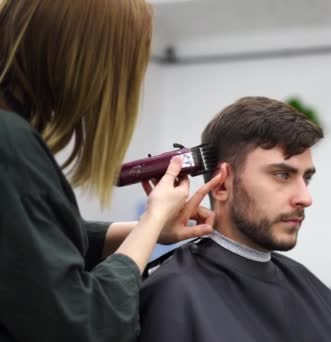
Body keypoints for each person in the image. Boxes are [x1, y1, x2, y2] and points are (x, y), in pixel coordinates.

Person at [0, 1, 221, 341]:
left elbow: (31, 242)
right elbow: (80, 323)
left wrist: (151, 227)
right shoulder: (8, 140)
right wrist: (152, 218)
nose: (303, 198)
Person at [139, 96, 331, 341]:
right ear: (222, 184)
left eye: (306, 178)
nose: (305, 197)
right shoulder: (173, 291)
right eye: (282, 175)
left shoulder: (298, 277)